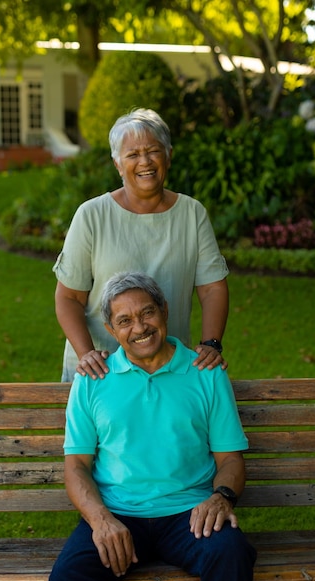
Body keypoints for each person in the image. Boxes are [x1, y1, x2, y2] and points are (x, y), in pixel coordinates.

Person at [48, 271, 256, 581]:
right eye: (125, 320)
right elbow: (77, 467)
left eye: (147, 313)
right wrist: (100, 520)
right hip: (118, 513)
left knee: (232, 553)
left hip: (190, 514)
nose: (140, 327)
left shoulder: (205, 372)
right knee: (69, 578)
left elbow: (230, 460)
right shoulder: (92, 380)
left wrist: (221, 496)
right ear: (111, 330)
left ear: (165, 311)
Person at [53, 108, 229, 382]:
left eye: (153, 151)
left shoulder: (192, 214)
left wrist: (211, 345)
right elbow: (68, 298)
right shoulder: (92, 216)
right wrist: (87, 354)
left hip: (170, 370)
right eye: (133, 154)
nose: (145, 161)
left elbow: (212, 288)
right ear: (117, 164)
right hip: (102, 374)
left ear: (168, 155)